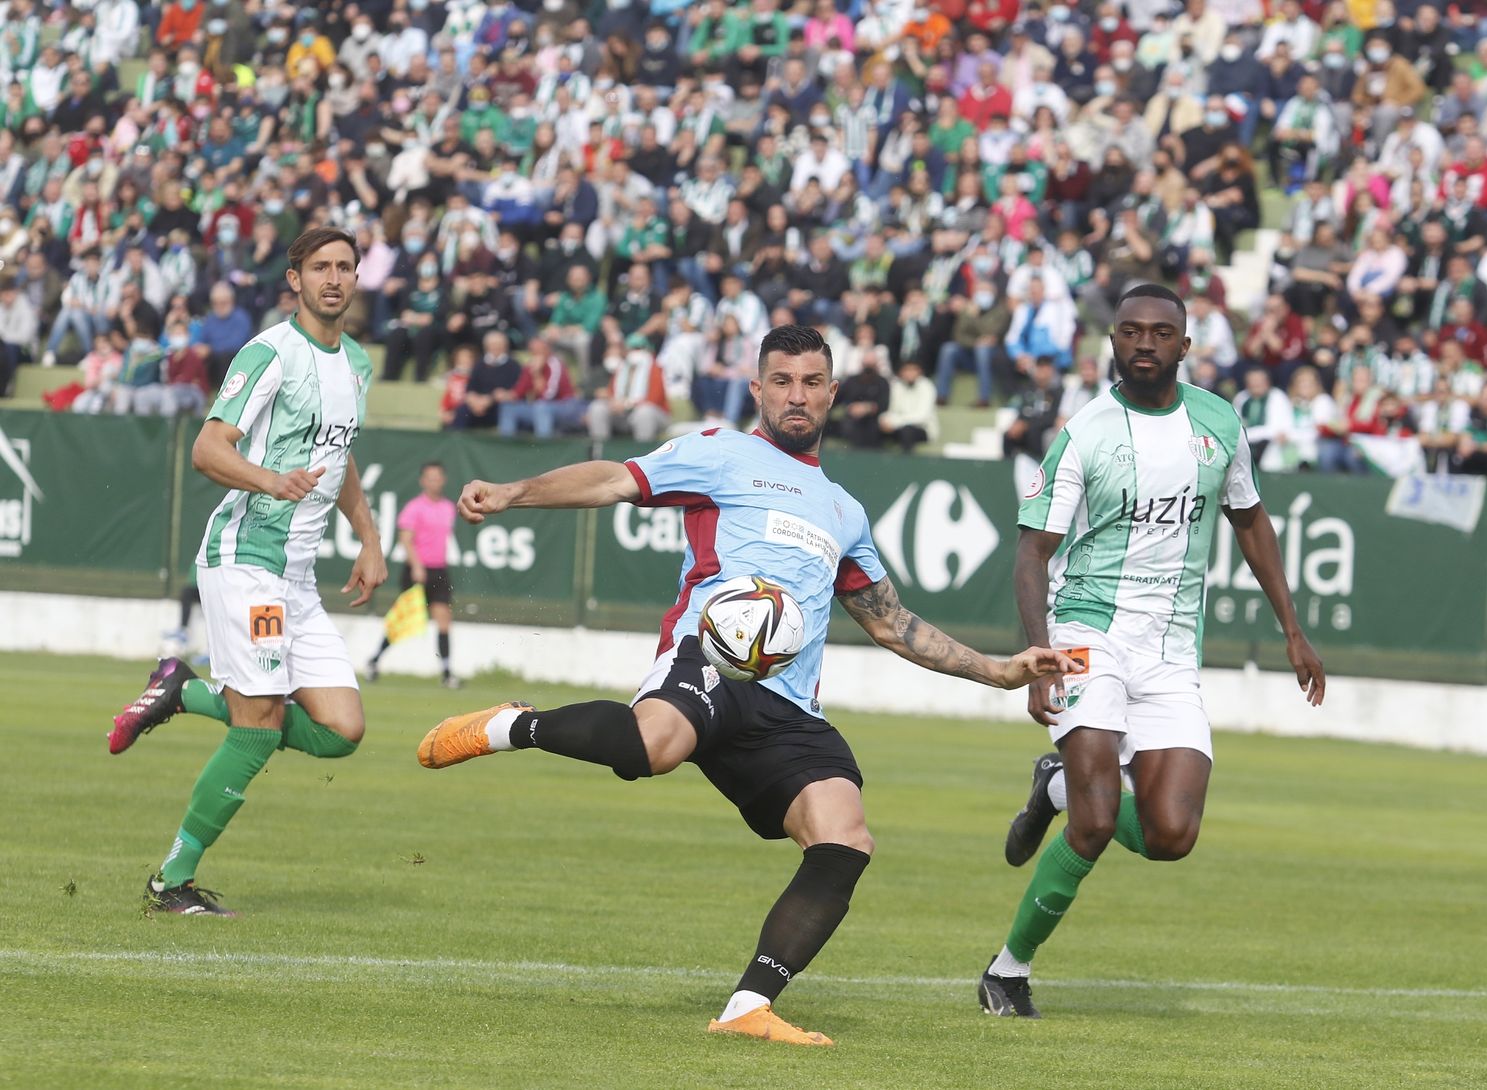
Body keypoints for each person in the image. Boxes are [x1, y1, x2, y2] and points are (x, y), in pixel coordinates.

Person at [415, 324, 1069, 1046]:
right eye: (781, 381)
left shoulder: (845, 510)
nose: (797, 395)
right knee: (652, 749)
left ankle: (747, 1008)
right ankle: (517, 725)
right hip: (712, 657)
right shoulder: (719, 451)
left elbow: (891, 623)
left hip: (787, 704)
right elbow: (612, 479)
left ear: (832, 394)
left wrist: (1001, 670)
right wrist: (513, 492)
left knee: (845, 837)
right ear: (757, 388)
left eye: (812, 382)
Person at [976, 285, 1326, 1019]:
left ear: (1185, 345)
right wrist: (1041, 653)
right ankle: (1008, 971)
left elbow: (1252, 523)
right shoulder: (1088, 432)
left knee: (1171, 834)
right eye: (1130, 331)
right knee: (1099, 826)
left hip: (1170, 651)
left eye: (1160, 333)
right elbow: (1033, 553)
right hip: (1082, 636)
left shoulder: (1219, 424)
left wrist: (1292, 627)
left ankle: (1057, 787)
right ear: (1113, 343)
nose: (1144, 343)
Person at [105, 227, 387, 916]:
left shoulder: (356, 361)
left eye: (346, 267)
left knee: (341, 729)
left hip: (296, 577)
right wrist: (270, 480)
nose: (334, 278)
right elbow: (208, 448)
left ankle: (184, 690)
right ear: (295, 278)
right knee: (258, 726)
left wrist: (370, 538)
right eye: (320, 266)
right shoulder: (270, 353)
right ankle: (170, 882)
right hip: (246, 562)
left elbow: (339, 456)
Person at [369, 462, 460, 688]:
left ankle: (447, 672)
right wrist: (417, 565)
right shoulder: (414, 507)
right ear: (422, 481)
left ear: (443, 480)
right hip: (417, 570)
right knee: (404, 620)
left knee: (443, 620)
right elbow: (406, 540)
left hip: (439, 570)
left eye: (438, 477)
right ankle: (374, 660)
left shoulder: (449, 507)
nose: (434, 481)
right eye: (430, 477)